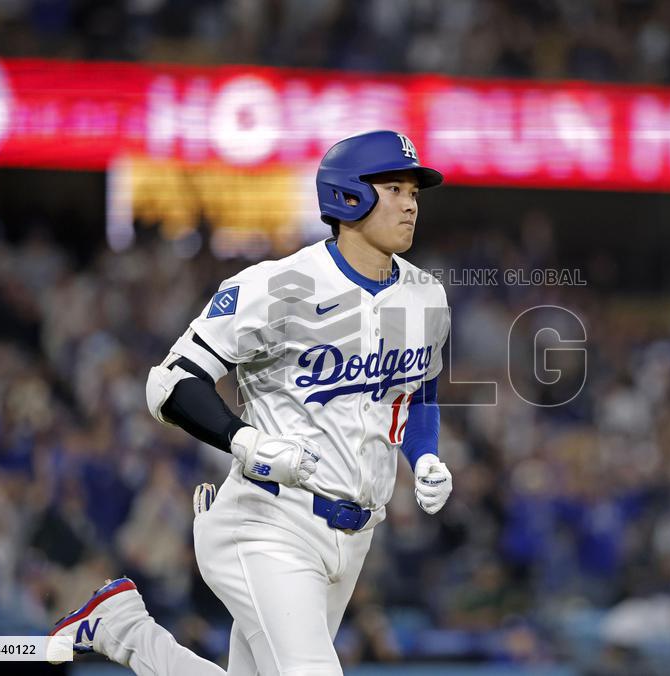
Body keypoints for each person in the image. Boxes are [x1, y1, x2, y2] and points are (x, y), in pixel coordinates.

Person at [50, 130, 453, 675]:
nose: (410, 203)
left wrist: (424, 455)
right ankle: (123, 631)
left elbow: (419, 390)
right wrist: (248, 442)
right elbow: (170, 383)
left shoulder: (426, 294)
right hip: (267, 520)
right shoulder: (279, 285)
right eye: (396, 187)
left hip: (356, 536)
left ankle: (123, 628)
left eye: (415, 192)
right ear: (349, 195)